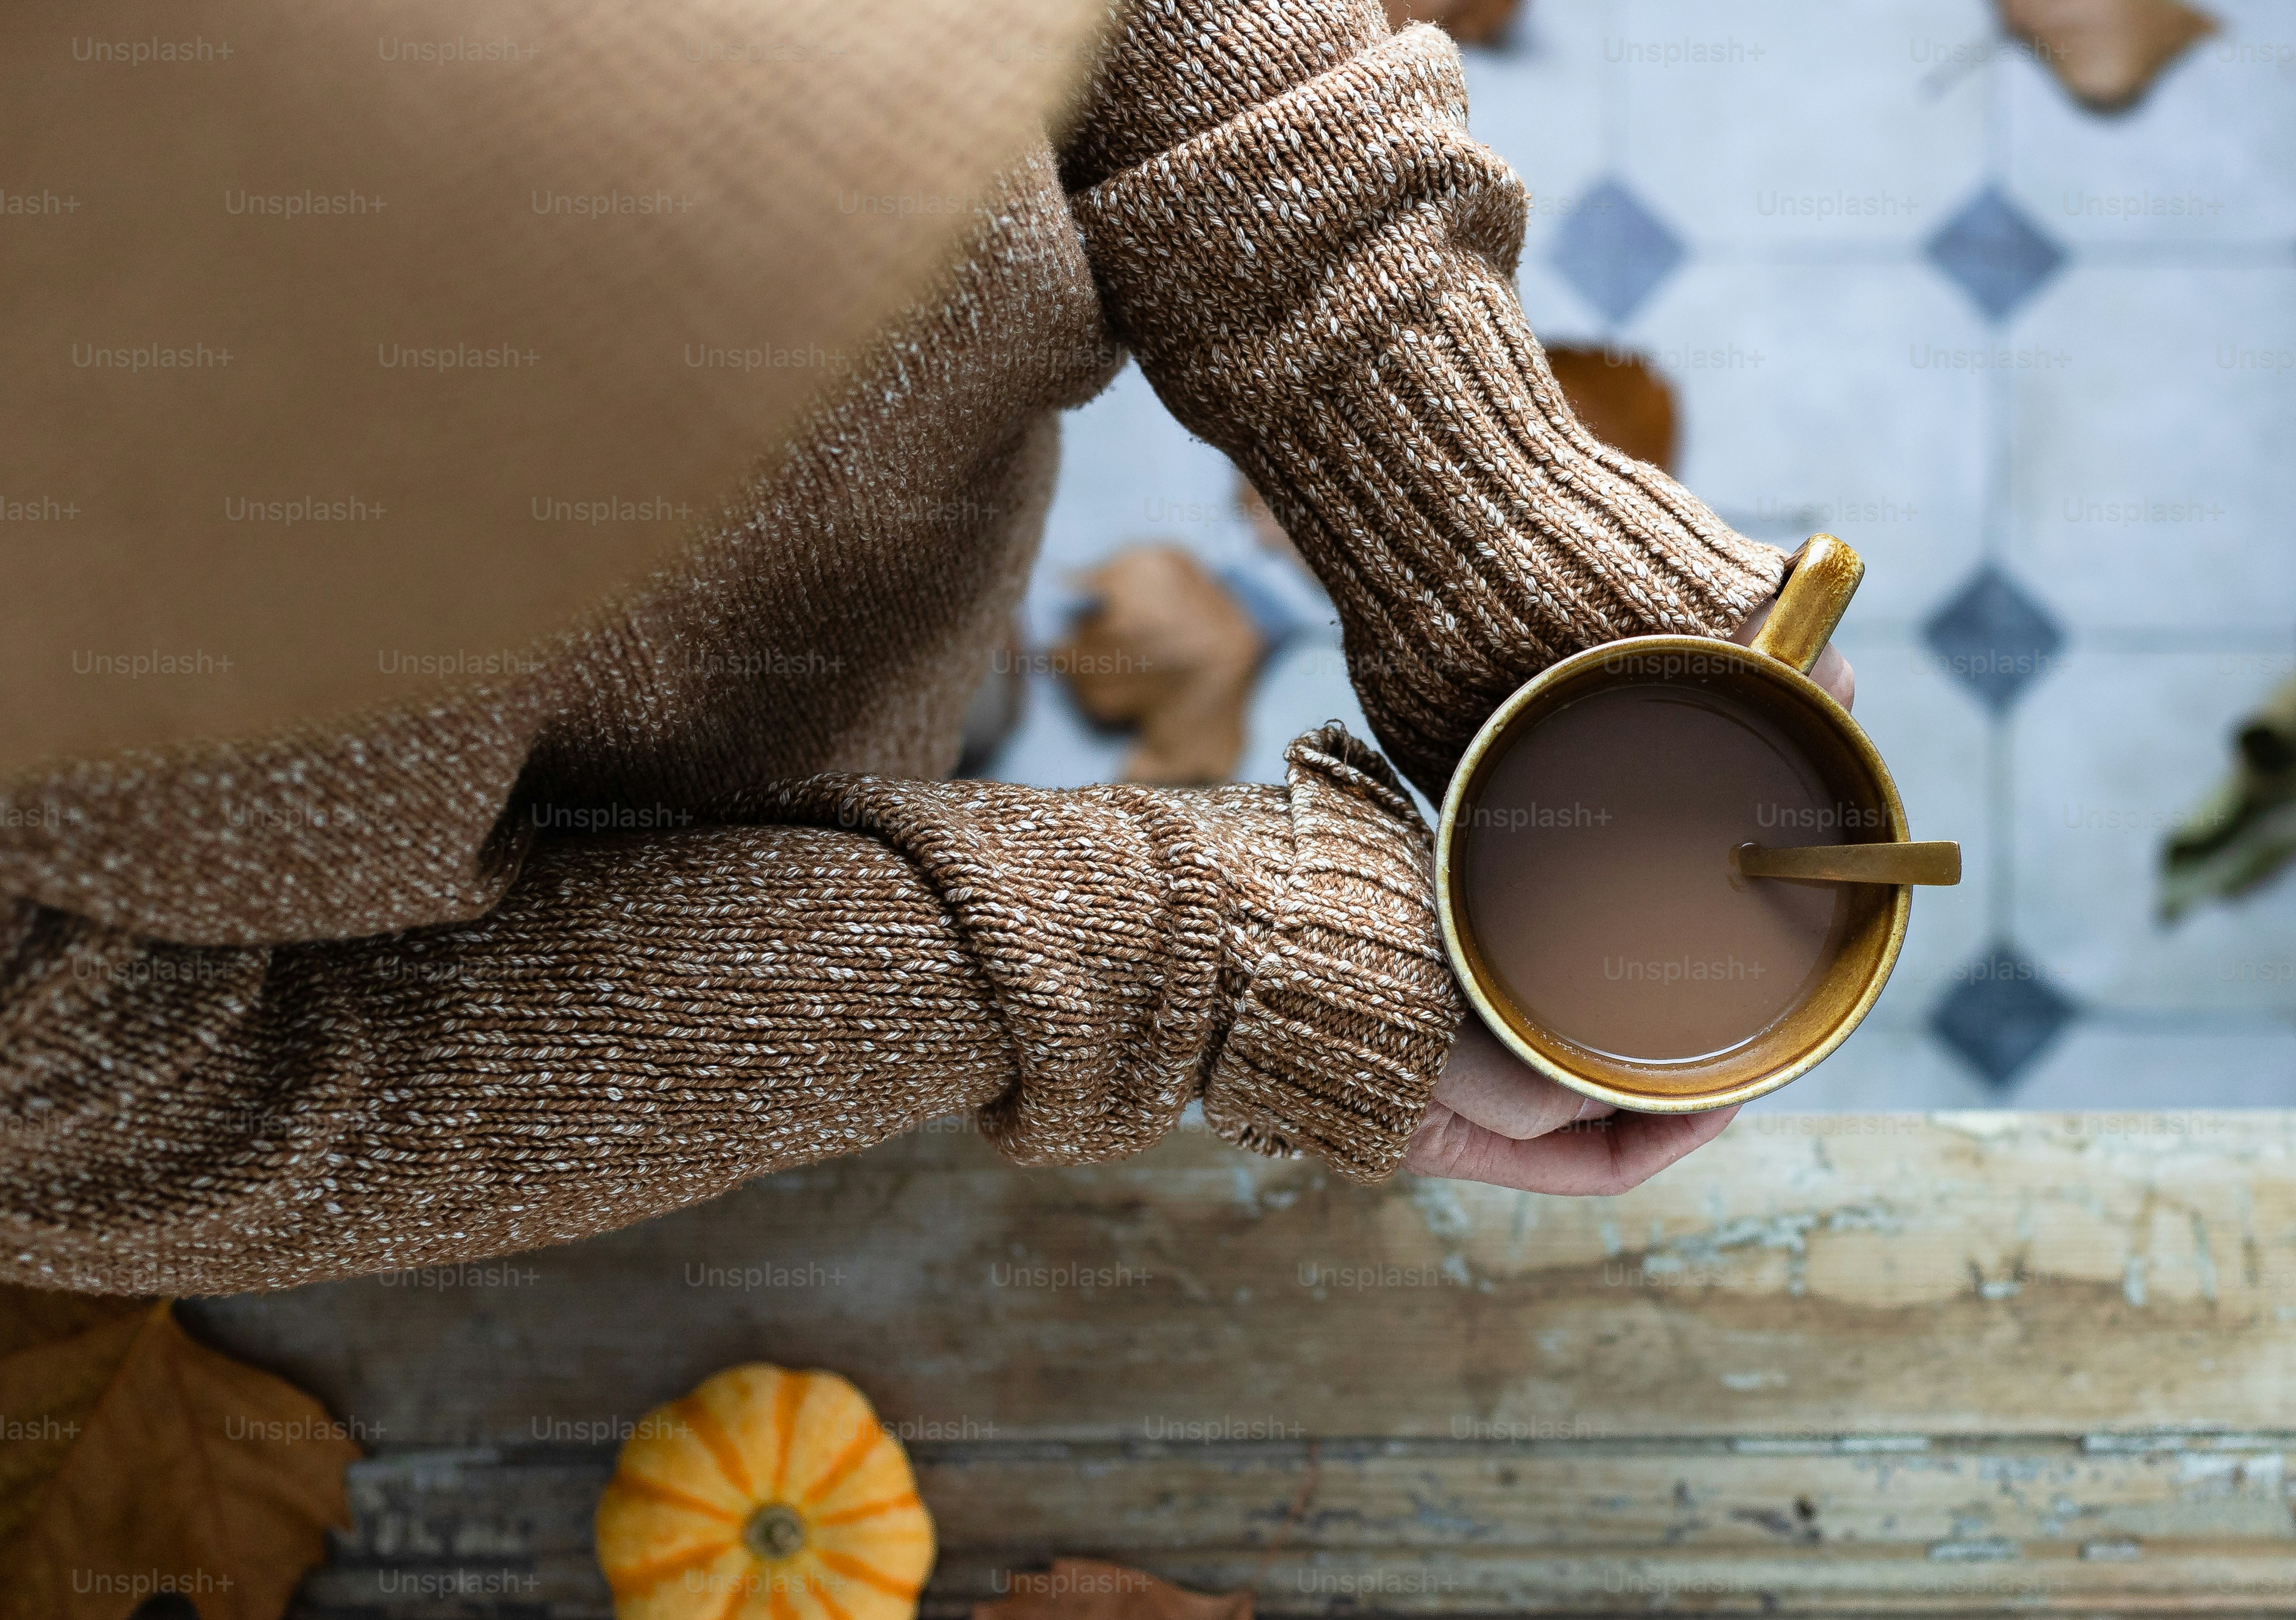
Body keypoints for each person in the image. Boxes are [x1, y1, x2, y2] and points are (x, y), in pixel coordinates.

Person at [0, 0, 1847, 1297]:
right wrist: (1150, 955)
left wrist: (1457, 480)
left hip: (892, 589)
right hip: (530, 915)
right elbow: (111, 1113)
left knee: (932, 690)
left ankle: (937, 726)